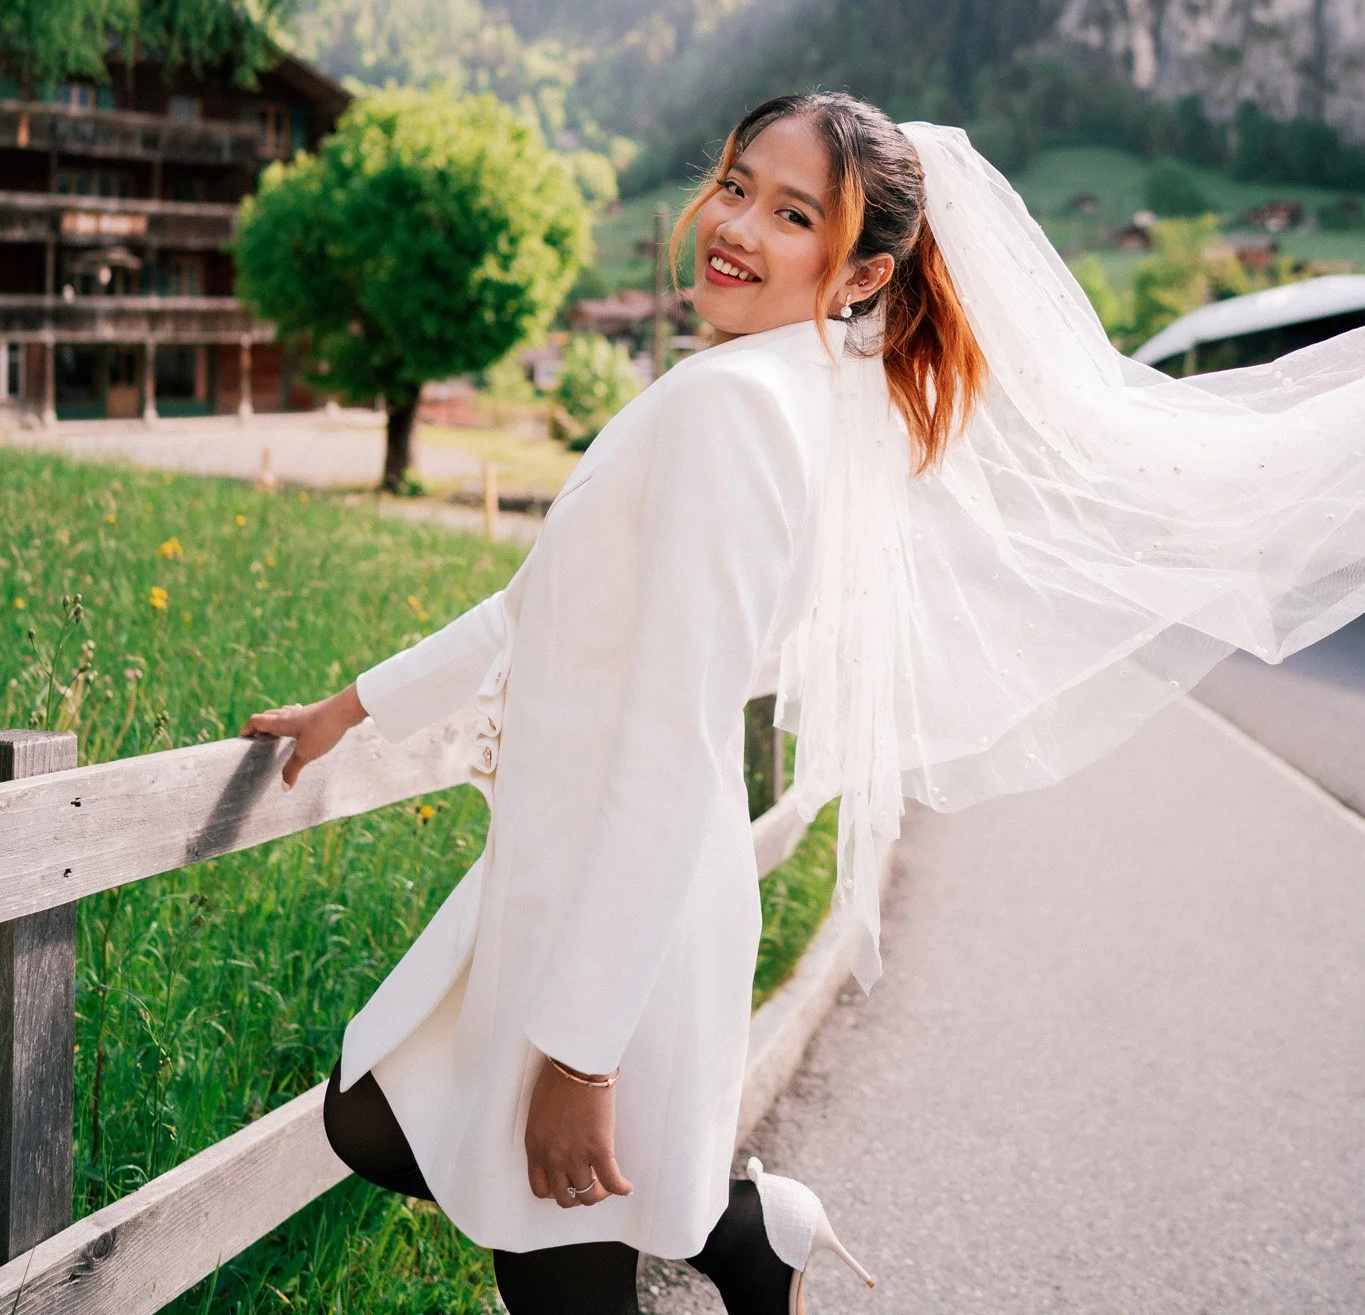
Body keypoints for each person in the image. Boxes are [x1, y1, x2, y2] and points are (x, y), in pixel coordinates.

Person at [245, 92, 1365, 1314]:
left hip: (624, 915)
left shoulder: (740, 410)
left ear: (862, 269)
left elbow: (678, 734)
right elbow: (538, 601)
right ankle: (745, 1222)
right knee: (374, 1114)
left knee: (551, 1266)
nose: (735, 224)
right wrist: (351, 705)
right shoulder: (756, 383)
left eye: (791, 213)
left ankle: (736, 1219)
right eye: (735, 184)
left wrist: (581, 1052)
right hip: (565, 878)